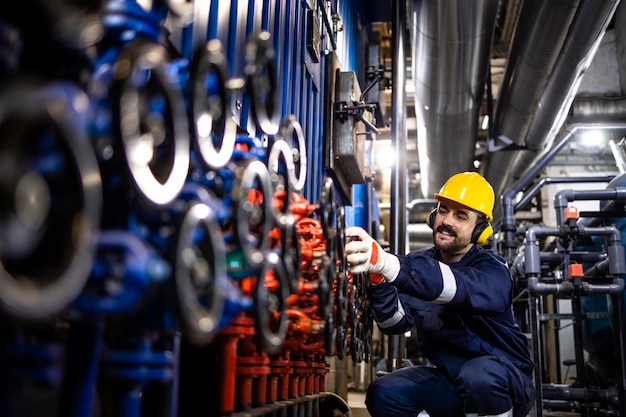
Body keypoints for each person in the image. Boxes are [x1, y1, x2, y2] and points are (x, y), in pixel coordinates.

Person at [345, 172, 535, 417]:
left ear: (480, 230)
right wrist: (378, 279)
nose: (447, 221)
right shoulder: (419, 263)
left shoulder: (493, 270)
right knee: (384, 393)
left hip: (503, 381)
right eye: (443, 210)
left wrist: (388, 263)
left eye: (460, 216)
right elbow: (396, 323)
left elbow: (453, 286)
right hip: (451, 379)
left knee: (480, 377)